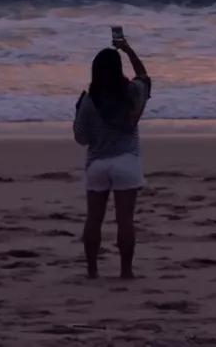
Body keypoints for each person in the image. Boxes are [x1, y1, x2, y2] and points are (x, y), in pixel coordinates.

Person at [73, 37, 151, 279]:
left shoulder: (88, 100)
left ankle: (92, 271)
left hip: (98, 163)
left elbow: (81, 138)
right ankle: (126, 272)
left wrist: (78, 113)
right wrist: (128, 49)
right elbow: (144, 78)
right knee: (125, 220)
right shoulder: (130, 93)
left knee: (94, 220)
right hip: (126, 160)